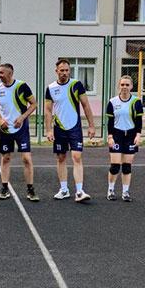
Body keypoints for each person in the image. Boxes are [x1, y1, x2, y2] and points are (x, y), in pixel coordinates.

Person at [44, 58, 96, 203]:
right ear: (56, 71)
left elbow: (86, 105)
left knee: (77, 157)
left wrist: (91, 125)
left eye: (67, 70)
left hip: (75, 127)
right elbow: (48, 110)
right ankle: (64, 189)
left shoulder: (76, 85)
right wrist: (49, 130)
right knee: (61, 158)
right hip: (59, 128)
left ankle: (79, 191)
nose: (65, 73)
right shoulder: (50, 88)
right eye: (62, 70)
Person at [0, 63, 39, 201]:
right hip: (5, 129)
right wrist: (0, 120)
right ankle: (4, 189)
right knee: (6, 158)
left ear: (10, 73)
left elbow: (34, 104)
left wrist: (22, 117)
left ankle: (30, 190)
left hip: (21, 128)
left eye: (2, 73)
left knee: (26, 158)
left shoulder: (22, 86)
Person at [105, 75, 142, 202]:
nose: (124, 87)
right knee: (115, 166)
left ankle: (125, 192)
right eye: (122, 85)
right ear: (119, 86)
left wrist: (138, 135)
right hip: (117, 134)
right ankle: (110, 190)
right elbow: (110, 122)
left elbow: (139, 120)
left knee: (126, 167)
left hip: (130, 135)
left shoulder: (136, 102)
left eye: (127, 85)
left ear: (131, 86)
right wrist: (110, 137)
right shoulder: (112, 102)